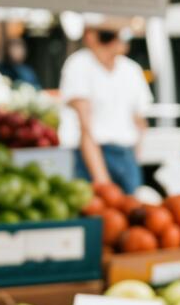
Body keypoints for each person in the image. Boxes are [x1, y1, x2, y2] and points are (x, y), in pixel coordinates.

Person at [59, 24, 150, 193]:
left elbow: (140, 122)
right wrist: (102, 179)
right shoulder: (79, 64)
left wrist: (134, 159)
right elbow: (85, 127)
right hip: (92, 157)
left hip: (126, 155)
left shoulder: (132, 70)